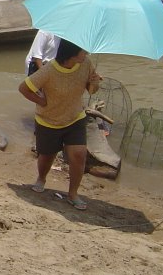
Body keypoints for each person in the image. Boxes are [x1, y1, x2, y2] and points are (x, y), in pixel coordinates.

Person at [18, 38, 102, 210]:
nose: (86, 53)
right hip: (48, 120)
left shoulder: (86, 63)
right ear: (71, 52)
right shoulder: (49, 70)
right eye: (83, 50)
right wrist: (41, 101)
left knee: (79, 155)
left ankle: (73, 194)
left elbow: (92, 90)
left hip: (75, 117)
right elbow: (24, 88)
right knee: (47, 156)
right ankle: (41, 178)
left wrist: (95, 82)